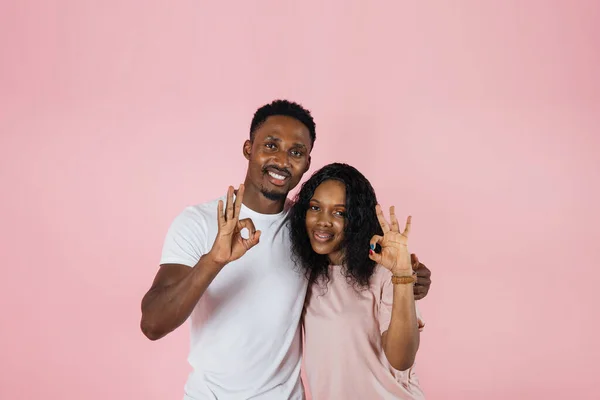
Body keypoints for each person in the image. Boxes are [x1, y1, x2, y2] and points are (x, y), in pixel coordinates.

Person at [140, 100, 432, 399]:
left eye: (296, 152)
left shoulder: (308, 228)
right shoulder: (199, 223)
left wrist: (409, 277)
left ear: (307, 163)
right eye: (271, 145)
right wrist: (214, 261)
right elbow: (152, 324)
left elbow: (366, 252)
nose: (282, 160)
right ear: (248, 148)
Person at [289, 163, 426, 399]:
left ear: (357, 219)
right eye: (315, 207)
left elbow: (402, 360)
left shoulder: (383, 271)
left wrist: (402, 276)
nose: (323, 221)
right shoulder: (306, 272)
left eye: (339, 212)